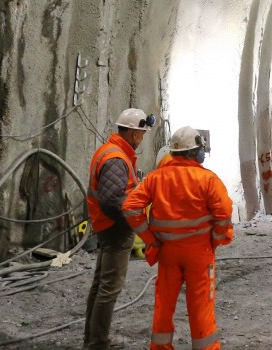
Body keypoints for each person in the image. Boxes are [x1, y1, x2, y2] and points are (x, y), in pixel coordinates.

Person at [124, 126, 233, 350]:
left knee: (163, 305)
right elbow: (224, 213)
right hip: (199, 254)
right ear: (196, 153)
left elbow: (130, 208)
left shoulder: (155, 178)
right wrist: (217, 239)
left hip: (167, 252)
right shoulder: (208, 180)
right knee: (201, 306)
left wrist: (150, 240)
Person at [84, 107, 155, 350]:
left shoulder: (112, 151)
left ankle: (92, 339)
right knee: (109, 288)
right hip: (115, 229)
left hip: (107, 227)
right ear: (134, 134)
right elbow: (113, 200)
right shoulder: (116, 158)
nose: (142, 138)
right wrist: (134, 220)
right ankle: (98, 343)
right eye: (142, 134)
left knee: (100, 285)